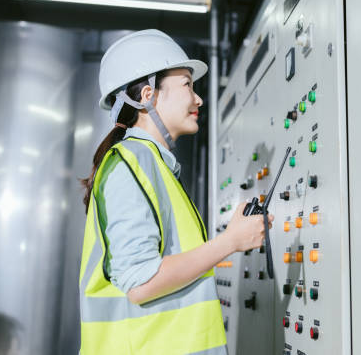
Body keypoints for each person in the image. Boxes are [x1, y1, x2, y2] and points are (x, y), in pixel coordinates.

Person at [79, 29, 273, 355]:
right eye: (187, 84)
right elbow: (141, 283)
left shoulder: (153, 165)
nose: (198, 98)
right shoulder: (129, 165)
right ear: (147, 95)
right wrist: (231, 242)